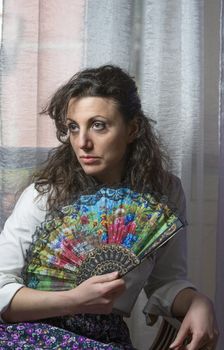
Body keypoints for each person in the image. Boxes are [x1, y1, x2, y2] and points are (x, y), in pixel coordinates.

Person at [0, 65, 218, 349]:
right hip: (29, 333)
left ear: (133, 128)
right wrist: (73, 300)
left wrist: (198, 301)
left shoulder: (164, 193)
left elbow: (166, 282)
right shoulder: (44, 196)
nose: (82, 142)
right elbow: (2, 290)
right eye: (73, 127)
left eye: (98, 125)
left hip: (105, 339)